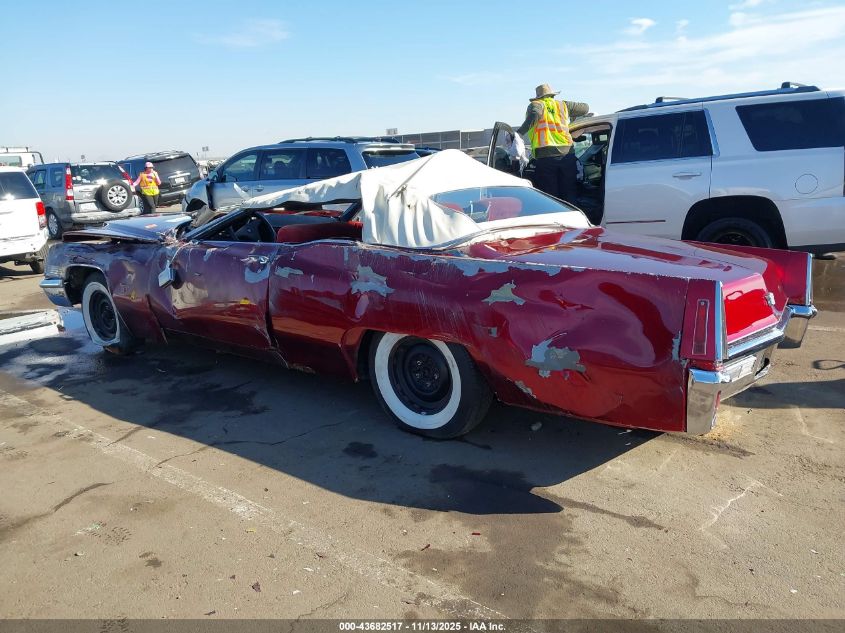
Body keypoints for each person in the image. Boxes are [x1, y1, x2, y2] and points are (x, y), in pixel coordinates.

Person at [516, 83, 589, 204]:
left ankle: (557, 220)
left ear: (538, 96)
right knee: (569, 192)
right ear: (552, 95)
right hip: (567, 155)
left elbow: (535, 114)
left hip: (546, 157)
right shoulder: (563, 105)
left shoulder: (536, 104)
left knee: (551, 196)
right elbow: (585, 108)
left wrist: (518, 134)